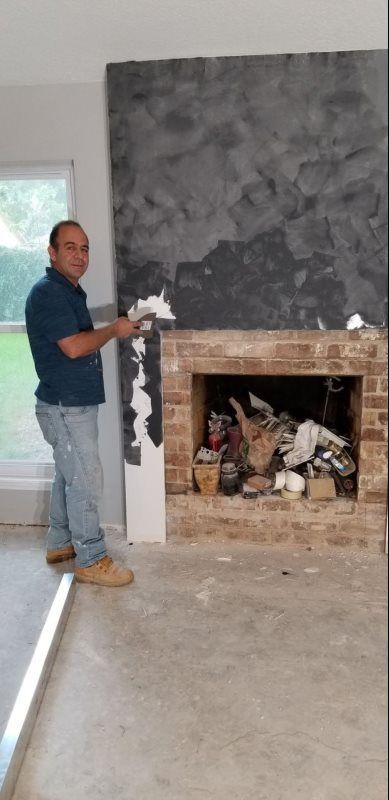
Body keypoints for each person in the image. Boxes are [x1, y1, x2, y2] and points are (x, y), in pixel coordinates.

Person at [25, 220, 142, 587]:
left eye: (85, 248)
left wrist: (114, 321)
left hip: (68, 403)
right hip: (64, 406)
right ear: (53, 252)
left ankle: (60, 544)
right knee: (87, 481)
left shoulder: (68, 291)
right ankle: (91, 558)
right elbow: (74, 347)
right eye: (70, 247)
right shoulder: (49, 292)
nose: (79, 255)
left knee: (70, 475)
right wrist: (115, 330)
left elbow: (75, 336)